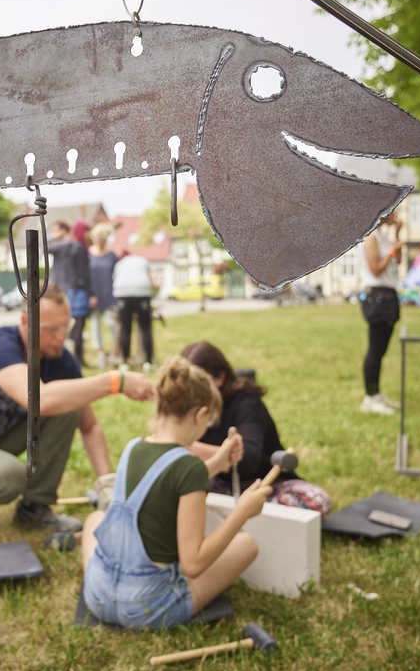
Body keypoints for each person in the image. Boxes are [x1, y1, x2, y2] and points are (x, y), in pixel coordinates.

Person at [0, 283, 156, 534]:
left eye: (66, 326)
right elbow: (39, 399)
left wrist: (107, 483)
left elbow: (90, 425)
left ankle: (34, 508)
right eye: (51, 329)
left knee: (69, 407)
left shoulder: (60, 360)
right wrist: (114, 381)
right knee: (9, 476)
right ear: (25, 321)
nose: (61, 336)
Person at [80, 357, 272, 630]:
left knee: (94, 520)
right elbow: (193, 563)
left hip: (97, 597)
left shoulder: (133, 447)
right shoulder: (189, 467)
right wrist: (241, 512)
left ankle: (108, 584)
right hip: (147, 609)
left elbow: (167, 481)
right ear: (200, 414)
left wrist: (218, 462)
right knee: (247, 544)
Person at [180, 341, 332, 515]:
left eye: (198, 384)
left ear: (220, 379)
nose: (191, 393)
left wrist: (187, 447)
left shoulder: (247, 404)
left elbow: (248, 462)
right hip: (219, 486)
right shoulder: (188, 409)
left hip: (265, 484)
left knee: (316, 501)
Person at [358, 213, 403, 414]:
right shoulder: (371, 237)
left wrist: (397, 233)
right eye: (393, 211)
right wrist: (392, 251)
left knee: (381, 350)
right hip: (378, 297)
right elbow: (375, 269)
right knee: (375, 351)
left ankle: (376, 394)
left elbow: (397, 262)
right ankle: (370, 398)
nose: (396, 214)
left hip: (388, 296)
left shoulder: (383, 236)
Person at [48, 219, 92, 365]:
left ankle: (76, 357)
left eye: (55, 230)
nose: (53, 234)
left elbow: (83, 271)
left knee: (75, 325)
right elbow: (44, 247)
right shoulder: (69, 246)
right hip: (68, 290)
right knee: (67, 325)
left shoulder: (73, 246)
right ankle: (70, 357)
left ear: (63, 230)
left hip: (74, 290)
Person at [113, 250, 157, 372]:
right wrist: (153, 293)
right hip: (141, 293)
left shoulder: (120, 264)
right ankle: (148, 362)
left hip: (122, 293)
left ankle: (124, 362)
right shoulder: (143, 261)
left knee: (125, 328)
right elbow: (155, 282)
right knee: (145, 327)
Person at [88, 223, 118, 369]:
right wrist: (90, 295)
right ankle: (100, 354)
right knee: (95, 326)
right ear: (93, 238)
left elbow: (116, 276)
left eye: (102, 237)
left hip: (109, 295)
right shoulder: (88, 254)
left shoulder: (112, 255)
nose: (99, 239)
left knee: (112, 324)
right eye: (97, 236)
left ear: (106, 238)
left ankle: (115, 353)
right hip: (93, 295)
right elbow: (85, 276)